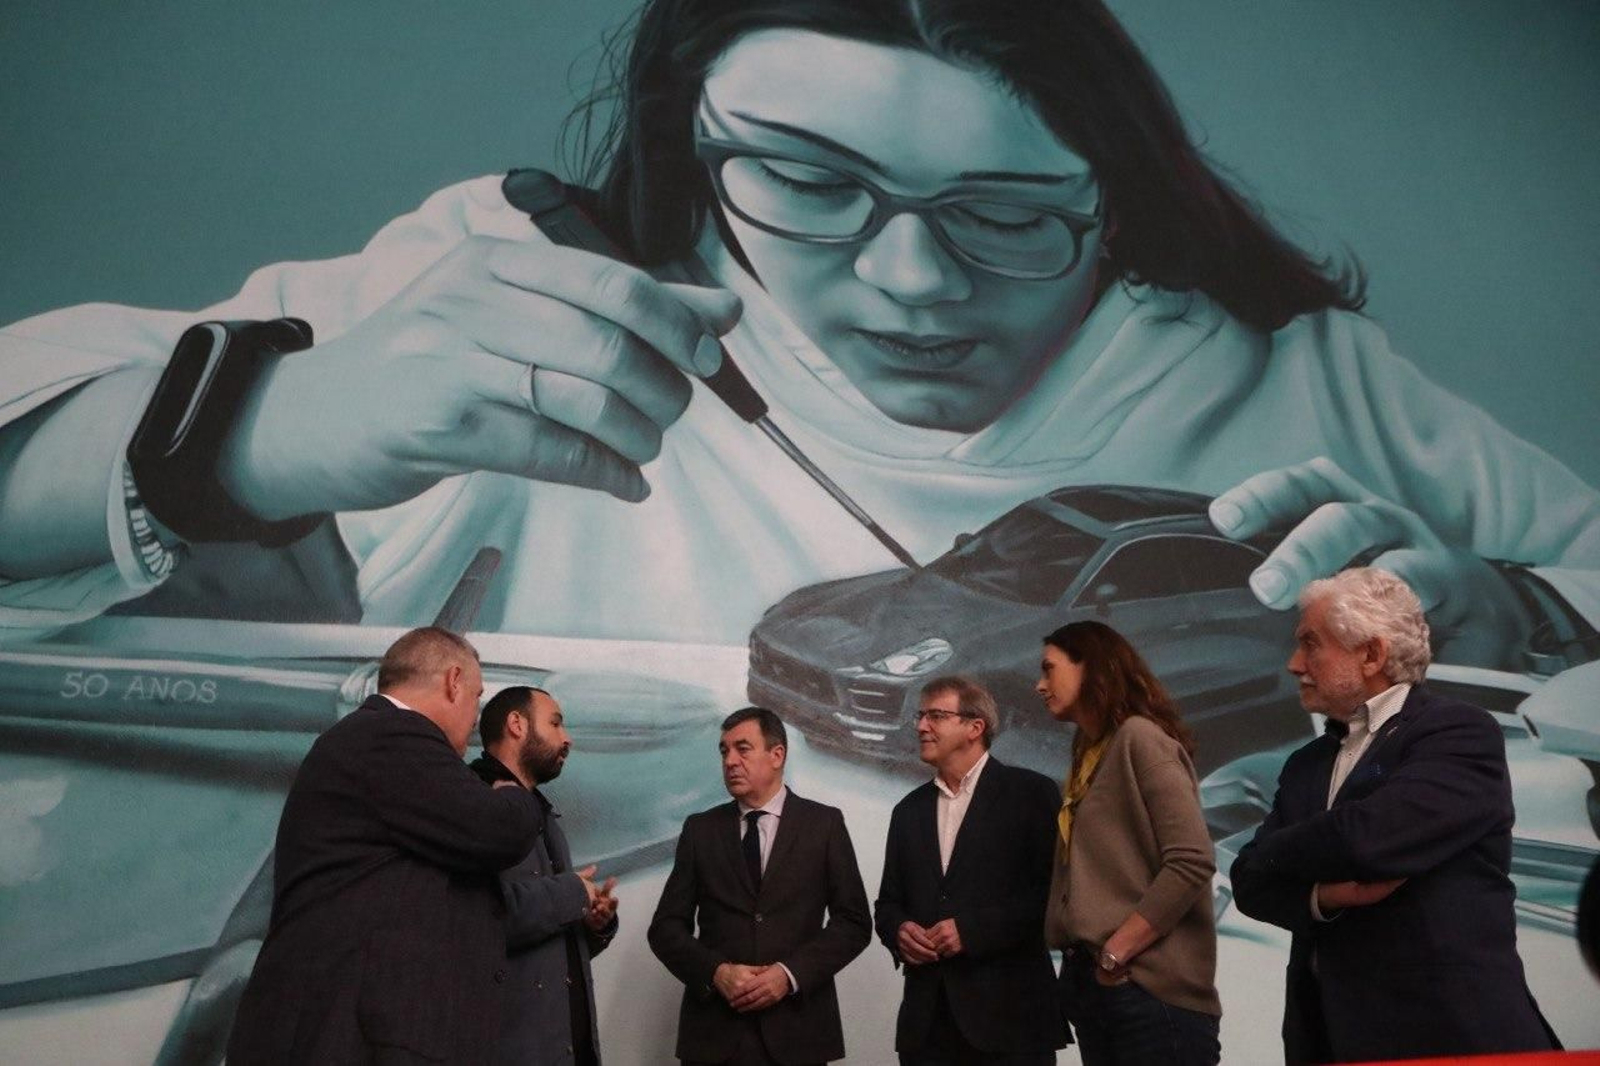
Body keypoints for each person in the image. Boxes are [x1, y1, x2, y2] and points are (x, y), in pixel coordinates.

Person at [0, 0, 1594, 673]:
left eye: (1007, 215)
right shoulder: (516, 289)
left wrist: (1512, 612)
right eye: (810, 184)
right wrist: (249, 429)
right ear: (688, 138)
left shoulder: (1298, 380)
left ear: (1119, 201)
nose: (910, 282)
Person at [1229, 567, 1560, 1063]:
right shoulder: (1307, 763)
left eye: (1310, 644)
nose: (1295, 664)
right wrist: (1327, 894)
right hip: (1330, 1040)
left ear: (1371, 654)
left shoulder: (1458, 731)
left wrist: (1270, 852)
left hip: (1449, 1037)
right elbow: (1248, 883)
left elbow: (1369, 839)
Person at [225, 627, 545, 1065]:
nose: (475, 719)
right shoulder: (393, 737)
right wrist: (512, 786)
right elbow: (499, 829)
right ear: (453, 681)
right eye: (476, 696)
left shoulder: (372, 741)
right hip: (347, 1040)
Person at [1038, 621, 1221, 1066]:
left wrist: (1117, 952)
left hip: (1147, 992)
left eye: (1049, 669)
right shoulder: (1090, 749)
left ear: (1092, 668)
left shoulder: (1140, 738)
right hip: (1098, 987)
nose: (1039, 685)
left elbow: (1192, 860)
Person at [647, 706, 871, 1065]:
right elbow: (665, 928)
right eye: (724, 751)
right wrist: (715, 972)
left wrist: (789, 975)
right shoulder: (700, 830)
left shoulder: (824, 825)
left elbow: (854, 923)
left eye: (742, 748)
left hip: (798, 1033)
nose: (730, 761)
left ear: (777, 754)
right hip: (714, 1036)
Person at [873, 676, 1063, 1065]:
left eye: (936, 716)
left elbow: (1053, 896)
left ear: (975, 727)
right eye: (920, 716)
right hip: (926, 1028)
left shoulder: (1031, 794)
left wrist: (971, 932)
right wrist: (899, 931)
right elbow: (889, 903)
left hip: (1011, 1023)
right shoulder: (907, 811)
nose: (922, 726)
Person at [470, 685, 619, 1066]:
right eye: (555, 723)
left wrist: (591, 922)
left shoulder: (542, 812)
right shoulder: (472, 804)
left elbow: (550, 942)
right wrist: (572, 892)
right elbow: (481, 920)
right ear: (517, 725)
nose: (566, 738)